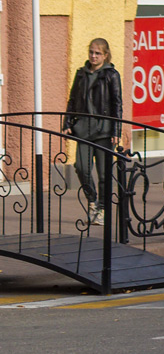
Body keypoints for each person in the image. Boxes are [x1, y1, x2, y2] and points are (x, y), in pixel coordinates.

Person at [63, 38, 123, 226]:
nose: (93, 56)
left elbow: (117, 103)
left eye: (98, 53)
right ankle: (92, 200)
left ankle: (103, 209)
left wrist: (116, 129)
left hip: (104, 130)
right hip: (84, 129)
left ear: (105, 55)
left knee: (104, 174)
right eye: (91, 52)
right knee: (81, 167)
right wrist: (67, 121)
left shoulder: (111, 74)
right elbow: (72, 99)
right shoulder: (81, 73)